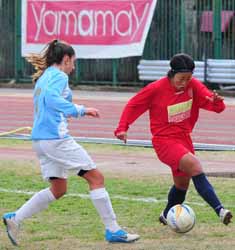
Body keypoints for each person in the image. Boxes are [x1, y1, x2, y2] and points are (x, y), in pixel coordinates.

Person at [2, 39, 139, 246]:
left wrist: (66, 114)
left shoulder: (44, 77)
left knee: (59, 189)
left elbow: (48, 103)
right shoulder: (58, 76)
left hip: (41, 141)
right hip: (56, 140)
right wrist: (81, 109)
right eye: (73, 62)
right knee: (96, 178)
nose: (73, 67)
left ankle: (15, 218)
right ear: (65, 59)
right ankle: (113, 230)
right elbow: (51, 99)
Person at [115, 53, 233, 227]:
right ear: (171, 73)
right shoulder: (156, 88)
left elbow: (216, 106)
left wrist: (217, 102)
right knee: (195, 166)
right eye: (181, 78)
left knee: (181, 185)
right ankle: (220, 210)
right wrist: (122, 127)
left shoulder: (193, 85)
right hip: (164, 141)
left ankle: (165, 215)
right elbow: (133, 105)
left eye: (188, 78)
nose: (184, 83)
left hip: (184, 140)